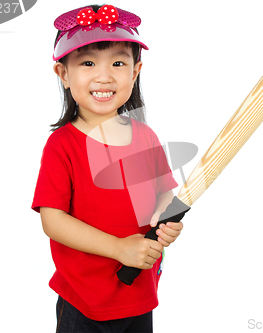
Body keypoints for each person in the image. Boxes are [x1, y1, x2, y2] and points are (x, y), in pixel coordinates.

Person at [31, 4, 183, 332]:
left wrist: (164, 220)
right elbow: (53, 220)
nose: (104, 75)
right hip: (84, 298)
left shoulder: (145, 136)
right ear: (64, 74)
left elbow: (164, 196)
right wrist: (117, 248)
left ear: (135, 71)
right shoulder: (62, 145)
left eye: (118, 62)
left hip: (139, 290)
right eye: (87, 63)